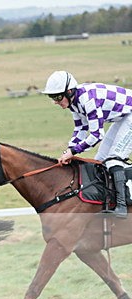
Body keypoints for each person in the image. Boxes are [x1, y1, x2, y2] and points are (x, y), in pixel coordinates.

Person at [42, 70, 132, 218]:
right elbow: (80, 129)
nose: (56, 102)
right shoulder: (74, 104)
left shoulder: (87, 100)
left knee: (114, 158)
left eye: (58, 97)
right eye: (52, 98)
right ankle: (107, 201)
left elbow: (97, 135)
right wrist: (69, 150)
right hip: (123, 117)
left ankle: (122, 206)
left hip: (130, 115)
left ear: (70, 92)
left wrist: (74, 151)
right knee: (100, 159)